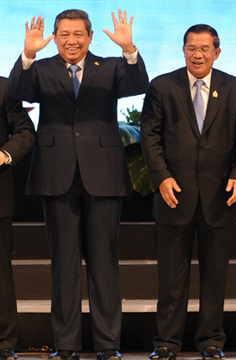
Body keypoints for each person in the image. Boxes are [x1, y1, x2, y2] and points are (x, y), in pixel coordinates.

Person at [7, 9, 149, 360]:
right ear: (54, 37)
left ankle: (107, 345)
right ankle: (66, 345)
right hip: (57, 175)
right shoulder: (41, 68)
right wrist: (28, 55)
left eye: (78, 34)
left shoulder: (112, 67)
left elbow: (138, 84)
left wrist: (129, 49)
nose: (71, 40)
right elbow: (16, 91)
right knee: (64, 265)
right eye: (64, 34)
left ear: (90, 37)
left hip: (102, 174)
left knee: (104, 263)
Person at [140, 24, 236, 360]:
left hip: (220, 196)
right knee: (171, 278)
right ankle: (166, 342)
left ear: (217, 52)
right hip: (173, 195)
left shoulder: (235, 88)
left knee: (215, 278)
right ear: (183, 50)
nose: (198, 54)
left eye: (205, 48)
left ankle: (210, 342)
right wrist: (160, 177)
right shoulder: (163, 86)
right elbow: (150, 136)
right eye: (191, 47)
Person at [0, 77, 36, 360]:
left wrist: (4, 154)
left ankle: (4, 344)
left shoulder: (4, 88)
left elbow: (25, 130)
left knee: (0, 274)